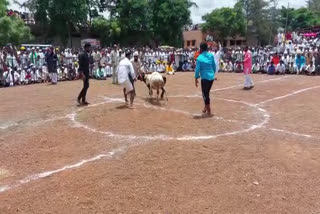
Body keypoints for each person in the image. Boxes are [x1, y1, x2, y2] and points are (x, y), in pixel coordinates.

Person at [195, 42, 216, 117]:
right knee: (207, 92)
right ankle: (205, 107)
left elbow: (197, 70)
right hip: (211, 77)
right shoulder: (211, 55)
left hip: (205, 78)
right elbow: (214, 65)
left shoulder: (199, 58)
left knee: (205, 94)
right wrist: (213, 74)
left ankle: (209, 111)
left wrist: (196, 78)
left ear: (200, 49)